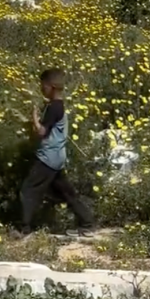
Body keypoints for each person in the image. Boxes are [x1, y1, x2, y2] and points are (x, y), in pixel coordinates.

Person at [19, 68, 95, 239]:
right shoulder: (57, 106)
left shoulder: (54, 108)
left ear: (51, 86)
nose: (41, 89)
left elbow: (41, 132)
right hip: (57, 157)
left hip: (48, 158)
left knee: (29, 189)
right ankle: (87, 223)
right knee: (66, 192)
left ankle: (24, 229)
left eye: (43, 86)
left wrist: (34, 118)